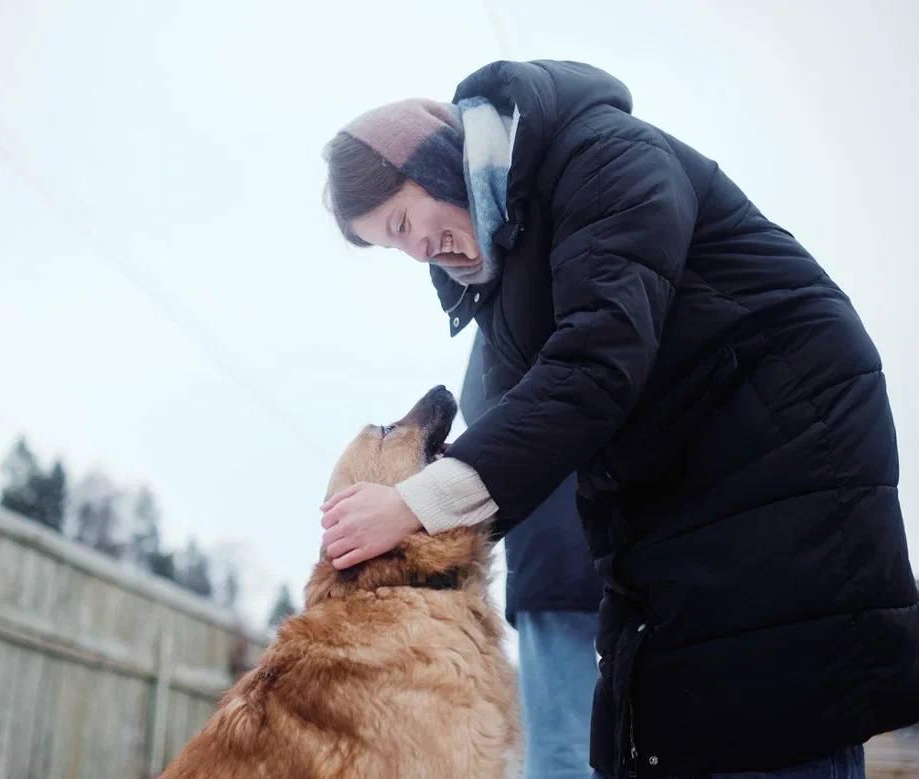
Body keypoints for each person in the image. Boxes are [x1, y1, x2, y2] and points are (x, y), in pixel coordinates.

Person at [318, 60, 919, 778]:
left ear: (438, 162)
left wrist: (412, 504)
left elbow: (597, 363)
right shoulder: (507, 281)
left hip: (780, 441)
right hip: (672, 483)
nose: (418, 250)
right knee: (658, 723)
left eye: (404, 222)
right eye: (396, 246)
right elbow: (518, 434)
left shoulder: (599, 155)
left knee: (761, 703)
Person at [461, 330, 601, 779]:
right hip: (585, 556)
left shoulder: (510, 316)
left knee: (563, 741)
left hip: (555, 559)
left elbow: (483, 406)